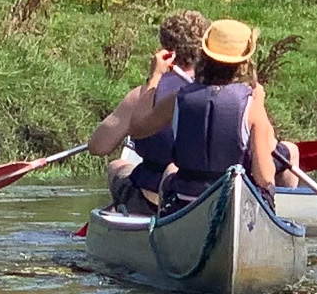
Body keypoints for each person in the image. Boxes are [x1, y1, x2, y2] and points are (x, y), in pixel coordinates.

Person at [116, 18, 293, 210]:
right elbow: (264, 176)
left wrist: (154, 78)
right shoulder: (252, 104)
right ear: (244, 61)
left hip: (185, 202)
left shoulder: (178, 99)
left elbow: (137, 129)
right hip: (233, 199)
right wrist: (261, 106)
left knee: (170, 169)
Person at [87, 10, 208, 211]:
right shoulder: (221, 92)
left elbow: (98, 147)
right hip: (205, 197)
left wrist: (154, 76)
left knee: (117, 166)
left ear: (166, 51)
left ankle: (125, 210)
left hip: (152, 200)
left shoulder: (143, 95)